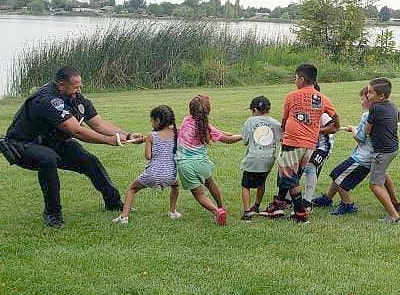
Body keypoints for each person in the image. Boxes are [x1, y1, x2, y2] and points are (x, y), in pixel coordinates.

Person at [0, 66, 140, 228]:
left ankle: (113, 202)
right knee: (47, 159)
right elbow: (76, 131)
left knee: (90, 162)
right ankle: (53, 214)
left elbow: (98, 124)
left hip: (53, 142)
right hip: (22, 144)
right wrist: (109, 140)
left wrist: (128, 135)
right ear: (60, 85)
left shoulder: (76, 97)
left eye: (80, 86)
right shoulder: (47, 100)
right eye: (75, 87)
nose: (79, 90)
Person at [262, 63, 339, 223]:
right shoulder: (322, 98)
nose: (295, 81)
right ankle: (278, 205)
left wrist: (287, 127)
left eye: (296, 78)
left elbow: (284, 121)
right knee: (291, 175)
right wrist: (320, 129)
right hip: (310, 145)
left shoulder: (292, 96)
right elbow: (335, 122)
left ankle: (300, 213)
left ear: (302, 79)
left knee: (289, 177)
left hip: (293, 142)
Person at [175, 95, 242, 225]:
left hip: (185, 166)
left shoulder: (186, 121)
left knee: (199, 194)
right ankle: (221, 206)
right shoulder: (207, 127)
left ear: (191, 110)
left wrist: (224, 133)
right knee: (210, 182)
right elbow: (226, 140)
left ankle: (217, 211)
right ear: (208, 111)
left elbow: (217, 132)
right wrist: (242, 136)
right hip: (202, 164)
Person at [114, 105, 180, 225]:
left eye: (151, 120)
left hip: (152, 174)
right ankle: (172, 211)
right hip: (170, 175)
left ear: (157, 120)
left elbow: (148, 156)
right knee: (175, 186)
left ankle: (124, 217)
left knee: (132, 188)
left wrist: (147, 142)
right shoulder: (177, 133)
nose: (151, 123)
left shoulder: (151, 136)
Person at [365, 77, 400, 223]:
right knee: (383, 174)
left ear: (380, 96)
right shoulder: (392, 105)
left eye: (371, 93)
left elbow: (367, 130)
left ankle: (394, 216)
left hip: (382, 151)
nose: (368, 96)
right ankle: (395, 202)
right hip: (393, 148)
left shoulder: (375, 108)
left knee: (375, 184)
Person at [239, 96, 283, 220]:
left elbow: (245, 140)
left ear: (254, 110)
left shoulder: (250, 121)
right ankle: (256, 205)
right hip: (269, 159)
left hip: (253, 158)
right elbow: (282, 137)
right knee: (261, 183)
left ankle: (247, 212)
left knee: (245, 185)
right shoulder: (275, 123)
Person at [303, 83, 338, 202]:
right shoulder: (302, 108)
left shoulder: (321, 111)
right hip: (307, 145)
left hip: (322, 147)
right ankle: (287, 199)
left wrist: (316, 130)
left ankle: (307, 201)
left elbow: (333, 128)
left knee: (310, 167)